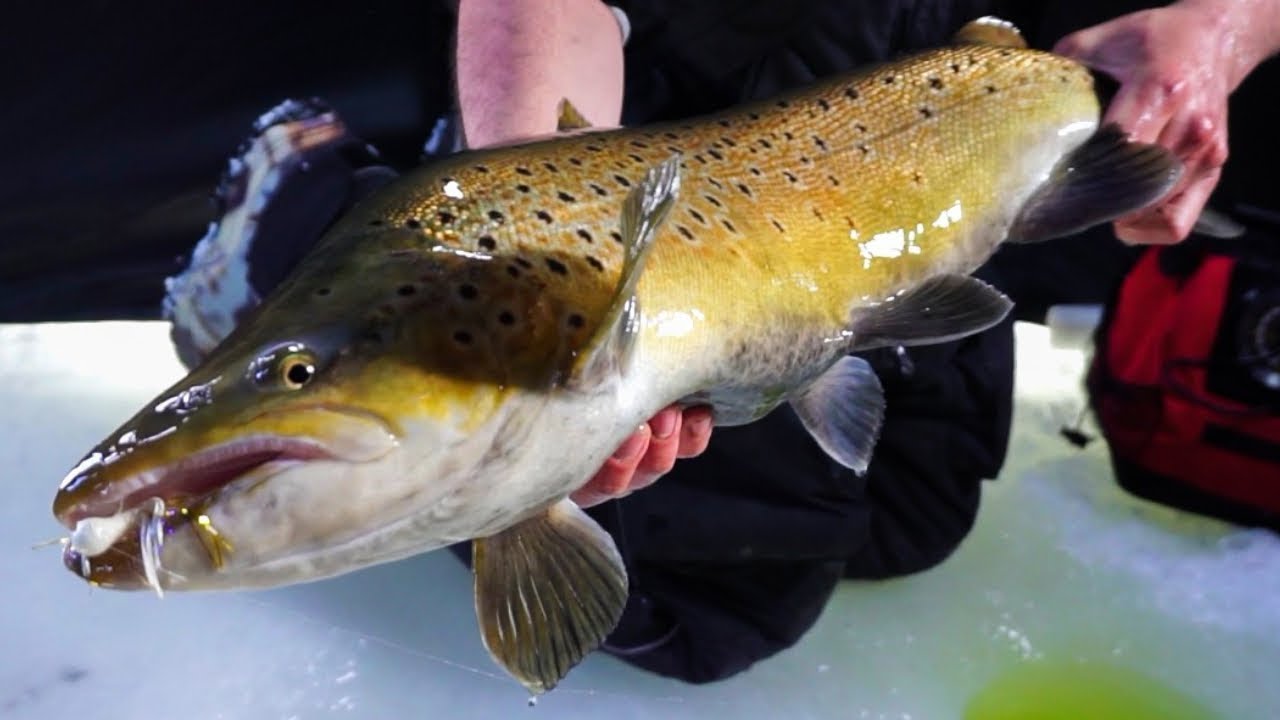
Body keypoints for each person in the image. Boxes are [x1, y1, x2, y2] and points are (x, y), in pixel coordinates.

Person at [148, 0, 1279, 685]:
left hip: (935, 106)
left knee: (904, 526)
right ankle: (337, 296)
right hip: (645, 117)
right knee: (713, 597)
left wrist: (1219, 32)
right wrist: (548, 225)